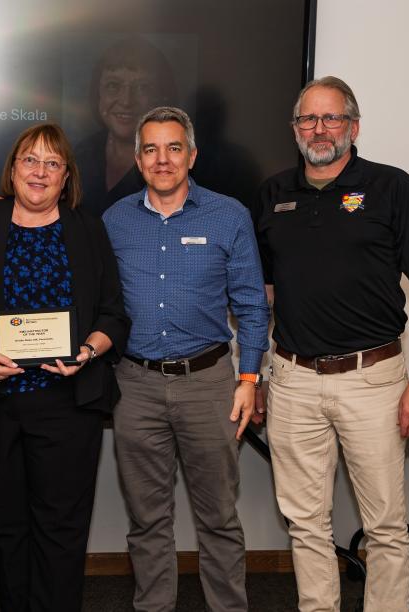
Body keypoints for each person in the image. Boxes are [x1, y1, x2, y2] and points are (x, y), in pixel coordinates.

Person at [254, 76, 409, 612]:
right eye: (307, 120)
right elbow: (265, 294)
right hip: (293, 380)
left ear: (353, 126)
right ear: (295, 129)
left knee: (385, 524)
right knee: (305, 524)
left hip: (374, 380)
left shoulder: (392, 187)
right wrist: (256, 372)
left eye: (331, 118)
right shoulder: (273, 193)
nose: (319, 129)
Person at [0, 123, 129, 611]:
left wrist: (86, 353)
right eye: (30, 160)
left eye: (52, 163)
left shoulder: (88, 228)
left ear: (66, 176)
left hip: (68, 401)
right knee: (8, 528)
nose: (40, 172)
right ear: (13, 169)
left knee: (61, 530)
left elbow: (113, 313)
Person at [102, 106, 268, 612]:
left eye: (174, 148)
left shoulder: (228, 215)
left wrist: (249, 379)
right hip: (136, 386)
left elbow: (251, 304)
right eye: (150, 149)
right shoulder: (115, 220)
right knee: (147, 520)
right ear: (137, 159)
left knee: (218, 517)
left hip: (210, 383)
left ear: (191, 155)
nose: (163, 159)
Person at [74, 37, 177, 217]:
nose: (126, 101)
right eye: (113, 86)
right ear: (98, 93)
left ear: (161, 96)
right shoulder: (77, 155)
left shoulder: (177, 165)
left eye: (143, 87)